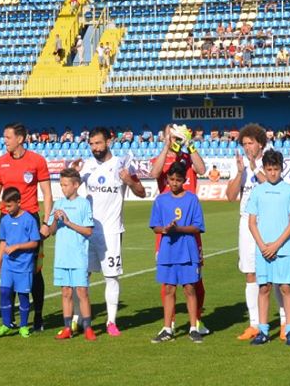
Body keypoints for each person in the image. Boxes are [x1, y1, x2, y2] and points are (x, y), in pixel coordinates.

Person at [73, 126, 148, 336]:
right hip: (87, 231)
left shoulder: (122, 165)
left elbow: (142, 193)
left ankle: (111, 321)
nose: (95, 148)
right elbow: (69, 190)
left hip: (112, 231)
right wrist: (74, 175)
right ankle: (78, 319)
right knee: (82, 275)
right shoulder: (86, 166)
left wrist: (129, 181)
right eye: (92, 144)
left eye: (98, 143)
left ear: (109, 142)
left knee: (111, 277)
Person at [0, 123, 54, 319]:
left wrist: (46, 222)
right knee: (8, 266)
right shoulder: (0, 162)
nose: (5, 141)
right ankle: (9, 319)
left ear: (20, 139)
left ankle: (38, 316)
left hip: (31, 221)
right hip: (7, 221)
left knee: (34, 270)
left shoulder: (37, 161)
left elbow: (47, 193)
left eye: (8, 137)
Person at [244, 148, 290, 346]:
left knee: (286, 287)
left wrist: (276, 245)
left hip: (283, 248)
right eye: (269, 169)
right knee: (264, 288)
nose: (272, 173)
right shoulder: (258, 190)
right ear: (264, 169)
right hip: (263, 249)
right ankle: (263, 330)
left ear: (281, 168)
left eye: (276, 169)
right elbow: (251, 222)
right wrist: (262, 245)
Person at [227, 124, 275, 339]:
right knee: (250, 272)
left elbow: (273, 187)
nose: (247, 148)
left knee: (275, 274)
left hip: (270, 222)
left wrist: (256, 168)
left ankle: (284, 323)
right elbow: (230, 195)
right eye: (244, 144)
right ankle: (254, 324)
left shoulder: (272, 160)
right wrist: (240, 173)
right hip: (247, 222)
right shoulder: (239, 164)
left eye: (250, 143)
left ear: (261, 144)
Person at [149, 164, 206, 342]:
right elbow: (154, 226)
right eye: (171, 179)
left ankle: (193, 327)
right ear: (167, 179)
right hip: (168, 250)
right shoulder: (160, 200)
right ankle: (167, 328)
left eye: (178, 180)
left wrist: (179, 228)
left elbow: (198, 226)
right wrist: (165, 229)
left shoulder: (192, 199)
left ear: (184, 180)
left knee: (189, 288)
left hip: (187, 250)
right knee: (168, 289)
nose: (174, 183)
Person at [46, 166, 97, 339]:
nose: (63, 188)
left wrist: (67, 222)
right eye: (61, 185)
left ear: (76, 185)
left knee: (82, 292)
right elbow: (51, 231)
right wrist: (54, 220)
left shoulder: (83, 204)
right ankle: (67, 328)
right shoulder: (58, 204)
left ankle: (88, 327)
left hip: (78, 257)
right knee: (66, 292)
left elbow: (88, 231)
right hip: (62, 257)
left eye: (66, 185)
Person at [0, 186, 41, 337]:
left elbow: (35, 242)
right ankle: (6, 324)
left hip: (24, 265)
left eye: (9, 205)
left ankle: (24, 326)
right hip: (8, 264)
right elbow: (3, 242)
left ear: (18, 202)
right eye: (5, 206)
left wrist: (18, 246)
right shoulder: (5, 221)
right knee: (4, 291)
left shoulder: (29, 219)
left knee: (23, 295)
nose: (6, 209)